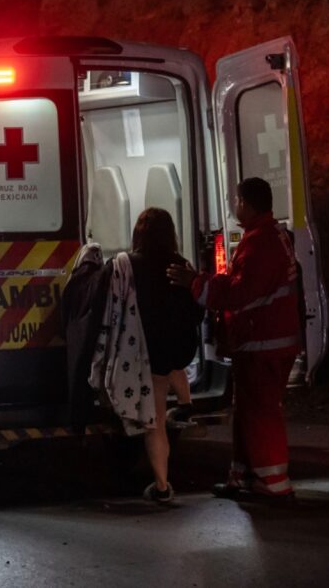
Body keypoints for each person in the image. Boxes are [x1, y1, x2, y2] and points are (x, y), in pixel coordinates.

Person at [168, 177, 301, 502]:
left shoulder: (260, 244)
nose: (233, 206)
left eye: (237, 201)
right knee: (248, 411)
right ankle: (243, 477)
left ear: (249, 204)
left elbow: (240, 293)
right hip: (266, 342)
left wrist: (196, 284)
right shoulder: (271, 235)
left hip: (263, 344)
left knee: (261, 413)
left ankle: (273, 484)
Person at [126, 208, 205, 503]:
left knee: (155, 422)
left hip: (148, 351)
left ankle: (161, 486)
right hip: (178, 348)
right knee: (174, 367)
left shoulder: (128, 265)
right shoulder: (181, 265)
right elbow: (197, 310)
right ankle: (185, 405)